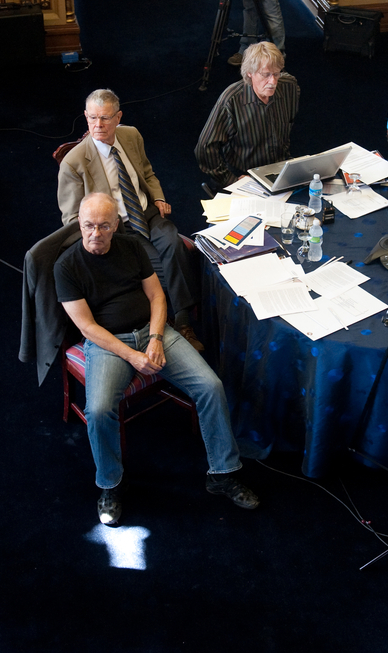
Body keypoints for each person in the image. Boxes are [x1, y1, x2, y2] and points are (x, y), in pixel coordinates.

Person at [56, 193, 260, 526]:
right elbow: (87, 327)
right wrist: (135, 357)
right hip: (109, 343)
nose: (95, 234)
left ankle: (222, 473)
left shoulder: (131, 247)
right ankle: (110, 484)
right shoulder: (66, 267)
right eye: (88, 226)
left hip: (153, 332)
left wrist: (154, 338)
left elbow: (156, 295)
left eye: (104, 226)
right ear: (78, 224)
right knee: (98, 409)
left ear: (116, 225)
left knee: (211, 386)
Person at [58, 89, 203, 350]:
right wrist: (100, 233)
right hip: (116, 227)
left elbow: (147, 173)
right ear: (85, 116)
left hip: (145, 211)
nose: (97, 125)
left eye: (104, 118)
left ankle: (182, 320)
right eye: (92, 118)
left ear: (118, 117)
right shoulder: (74, 162)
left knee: (173, 243)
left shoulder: (131, 135)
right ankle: (169, 323)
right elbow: (71, 218)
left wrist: (157, 197)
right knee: (154, 264)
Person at [196, 41, 299, 190]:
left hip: (279, 170)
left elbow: (290, 122)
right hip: (246, 176)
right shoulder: (231, 100)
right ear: (250, 73)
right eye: (266, 75)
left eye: (276, 74)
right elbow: (204, 148)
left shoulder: (290, 87)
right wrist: (231, 180)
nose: (273, 82)